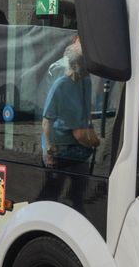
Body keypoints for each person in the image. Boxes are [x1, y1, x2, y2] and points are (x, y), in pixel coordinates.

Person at [38, 41, 99, 204]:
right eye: (84, 63)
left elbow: (87, 113)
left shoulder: (86, 81)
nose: (88, 68)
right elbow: (46, 122)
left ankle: (77, 209)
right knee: (52, 191)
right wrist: (49, 150)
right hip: (60, 148)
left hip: (79, 148)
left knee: (79, 189)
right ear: (75, 64)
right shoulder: (60, 85)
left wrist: (91, 134)